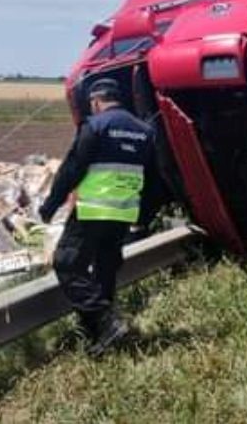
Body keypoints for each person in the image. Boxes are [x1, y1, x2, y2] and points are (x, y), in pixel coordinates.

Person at [39, 77, 155, 356]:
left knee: (67, 264)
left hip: (92, 209)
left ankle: (107, 321)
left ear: (96, 101)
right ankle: (102, 338)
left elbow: (72, 169)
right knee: (105, 269)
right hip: (123, 212)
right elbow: (153, 176)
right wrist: (145, 215)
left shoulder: (95, 126)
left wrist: (50, 205)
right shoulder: (144, 131)